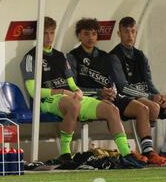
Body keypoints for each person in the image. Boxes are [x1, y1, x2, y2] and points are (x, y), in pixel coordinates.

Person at [20, 17, 145, 168]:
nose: (49, 37)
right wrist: (63, 92)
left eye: (52, 33)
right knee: (73, 105)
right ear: (38, 35)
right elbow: (34, 92)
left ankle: (126, 155)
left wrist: (78, 91)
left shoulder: (61, 56)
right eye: (45, 33)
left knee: (111, 109)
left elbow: (72, 84)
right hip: (48, 101)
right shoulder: (30, 57)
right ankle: (65, 154)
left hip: (70, 98)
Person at [67, 18, 166, 166]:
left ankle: (148, 152)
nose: (90, 38)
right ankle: (127, 153)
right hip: (91, 99)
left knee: (143, 108)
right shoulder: (72, 57)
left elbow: (117, 84)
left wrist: (111, 91)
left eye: (94, 34)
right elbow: (73, 88)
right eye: (86, 34)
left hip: (111, 96)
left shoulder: (107, 57)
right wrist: (98, 92)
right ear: (79, 36)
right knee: (111, 108)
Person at [110, 16, 166, 157]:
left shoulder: (141, 56)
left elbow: (149, 83)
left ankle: (164, 150)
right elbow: (122, 87)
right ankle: (148, 151)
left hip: (144, 96)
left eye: (132, 31)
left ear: (135, 33)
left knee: (160, 103)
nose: (130, 35)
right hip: (125, 97)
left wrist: (158, 95)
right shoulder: (114, 56)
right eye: (126, 32)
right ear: (119, 34)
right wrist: (150, 96)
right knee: (151, 107)